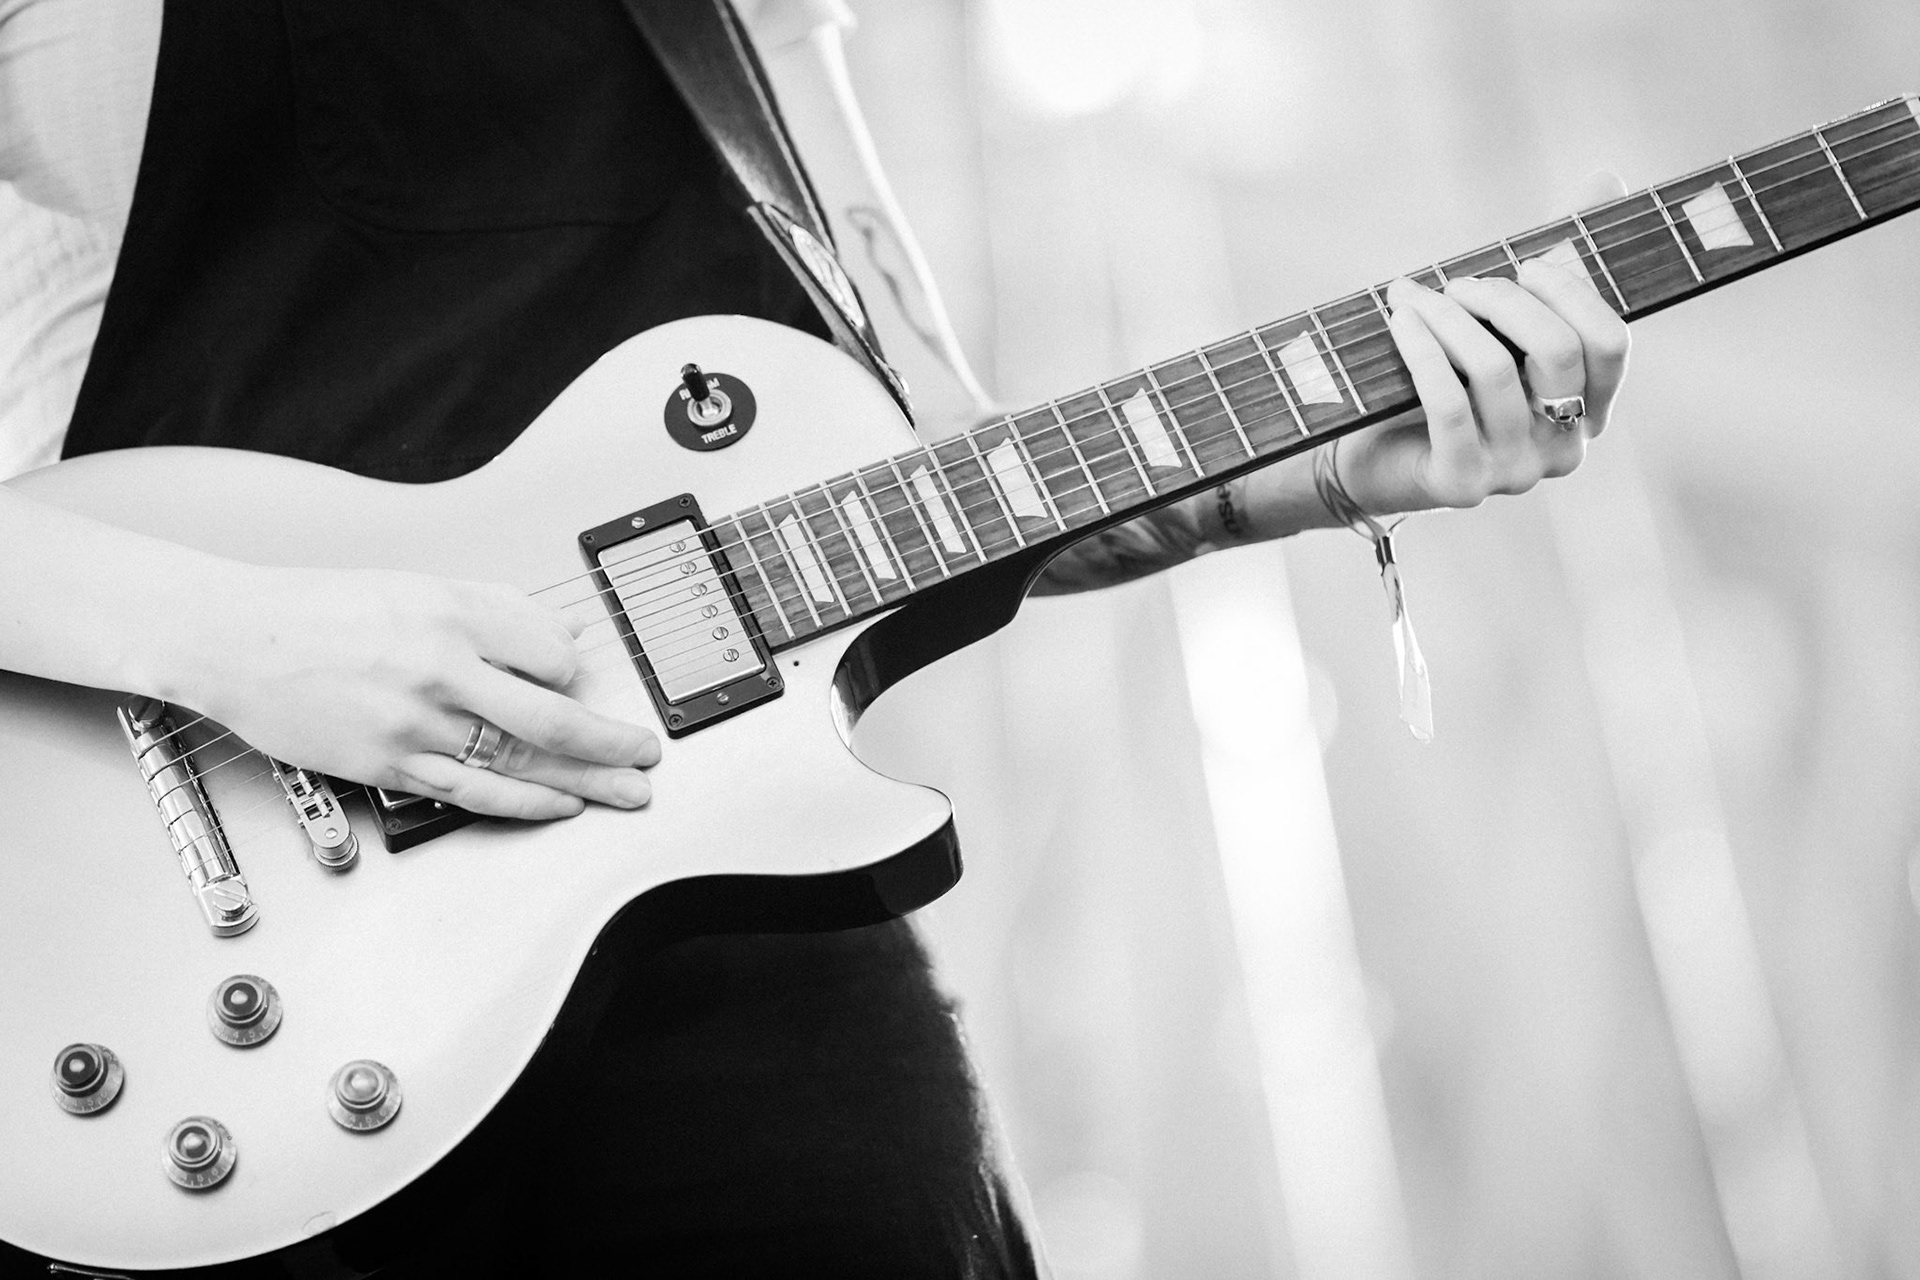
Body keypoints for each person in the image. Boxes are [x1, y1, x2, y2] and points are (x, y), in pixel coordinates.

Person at [0, 0, 1628, 1274]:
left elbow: (930, 476)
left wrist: (1309, 471)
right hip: (164, 946)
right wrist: (241, 640)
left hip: (718, 941)